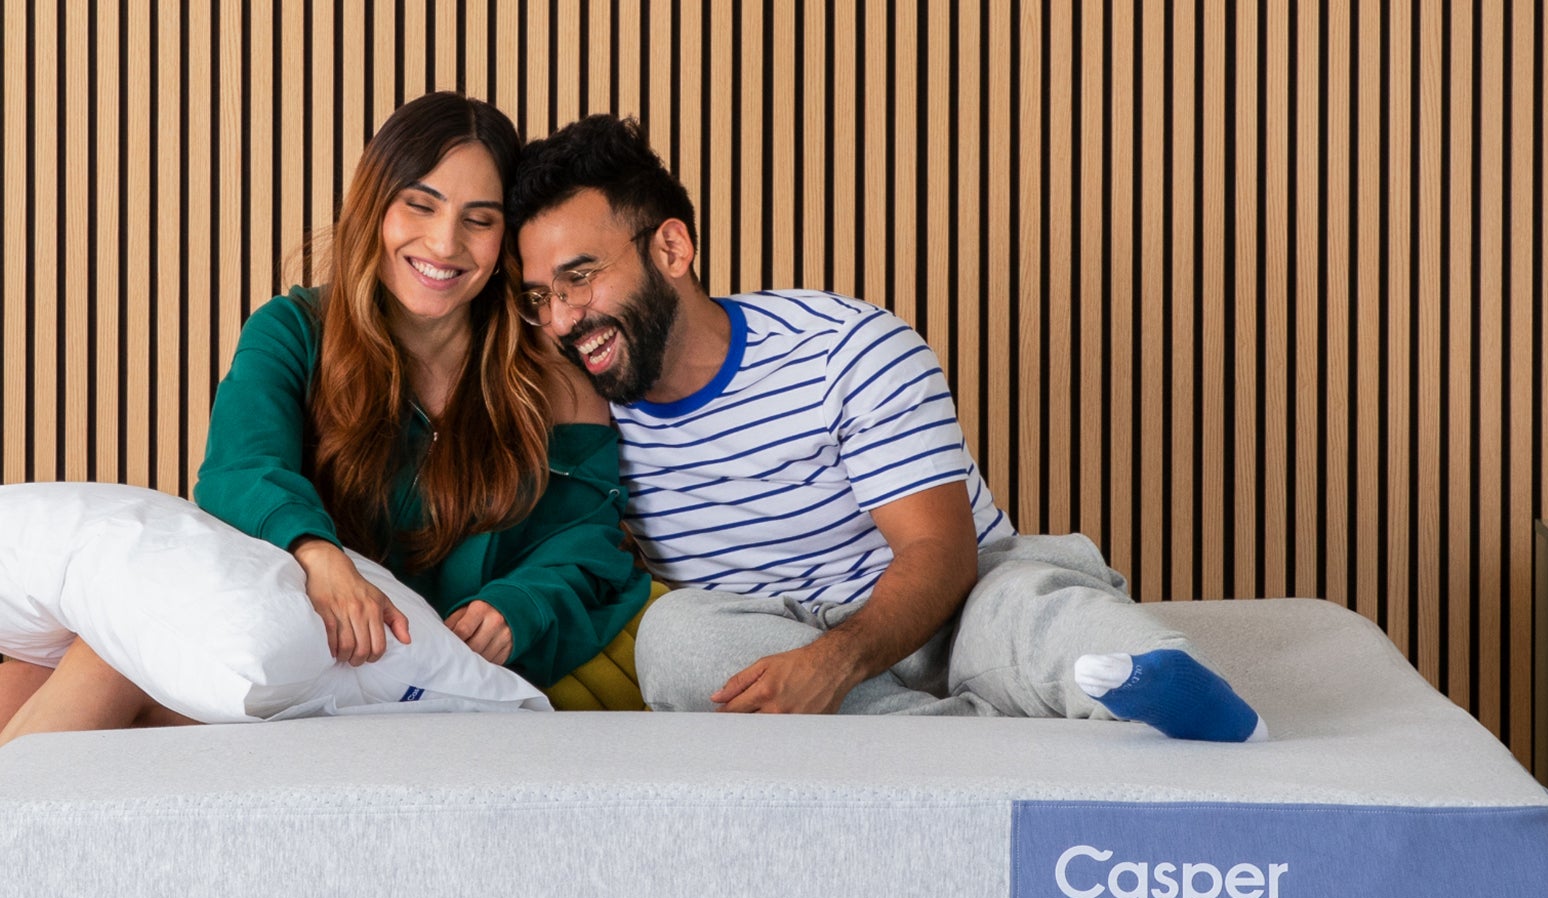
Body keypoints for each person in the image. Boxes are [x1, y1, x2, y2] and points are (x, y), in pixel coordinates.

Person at [507, 114, 1264, 743]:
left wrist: (836, 664)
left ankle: (1183, 692)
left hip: (954, 600)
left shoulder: (844, 346)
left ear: (671, 249)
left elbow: (941, 551)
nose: (564, 318)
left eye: (581, 275)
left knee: (1029, 611)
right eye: (540, 297)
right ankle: (964, 741)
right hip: (780, 638)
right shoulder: (585, 409)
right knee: (679, 641)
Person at [0, 93, 651, 748]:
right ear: (375, 204)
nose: (444, 243)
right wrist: (316, 552)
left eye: (477, 220)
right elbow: (239, 468)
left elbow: (588, 538)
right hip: (315, 637)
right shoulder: (293, 329)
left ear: (503, 238)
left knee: (107, 657)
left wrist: (522, 605)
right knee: (47, 667)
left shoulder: (544, 364)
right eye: (419, 205)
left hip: (452, 665)